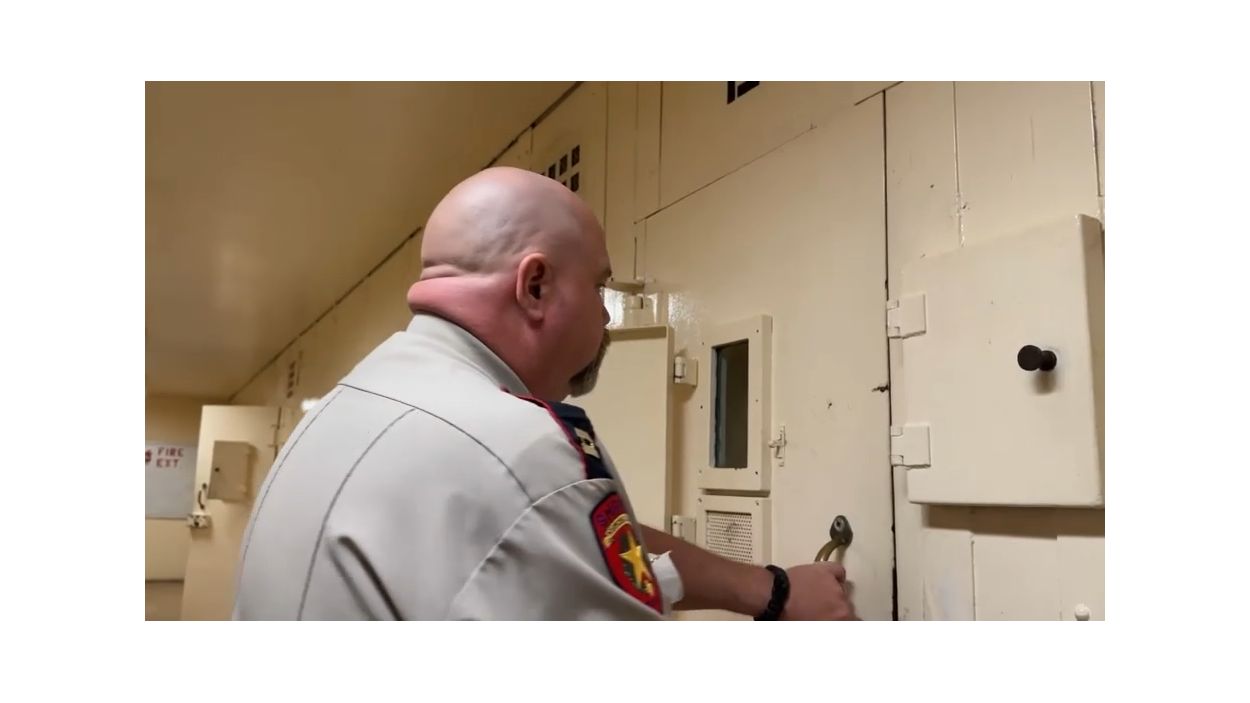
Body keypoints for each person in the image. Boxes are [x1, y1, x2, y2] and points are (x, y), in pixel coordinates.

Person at [233, 166, 857, 620]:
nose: (606, 316)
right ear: (535, 286)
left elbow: (576, 547)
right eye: (598, 288)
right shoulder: (521, 451)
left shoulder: (347, 408)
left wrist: (770, 590)